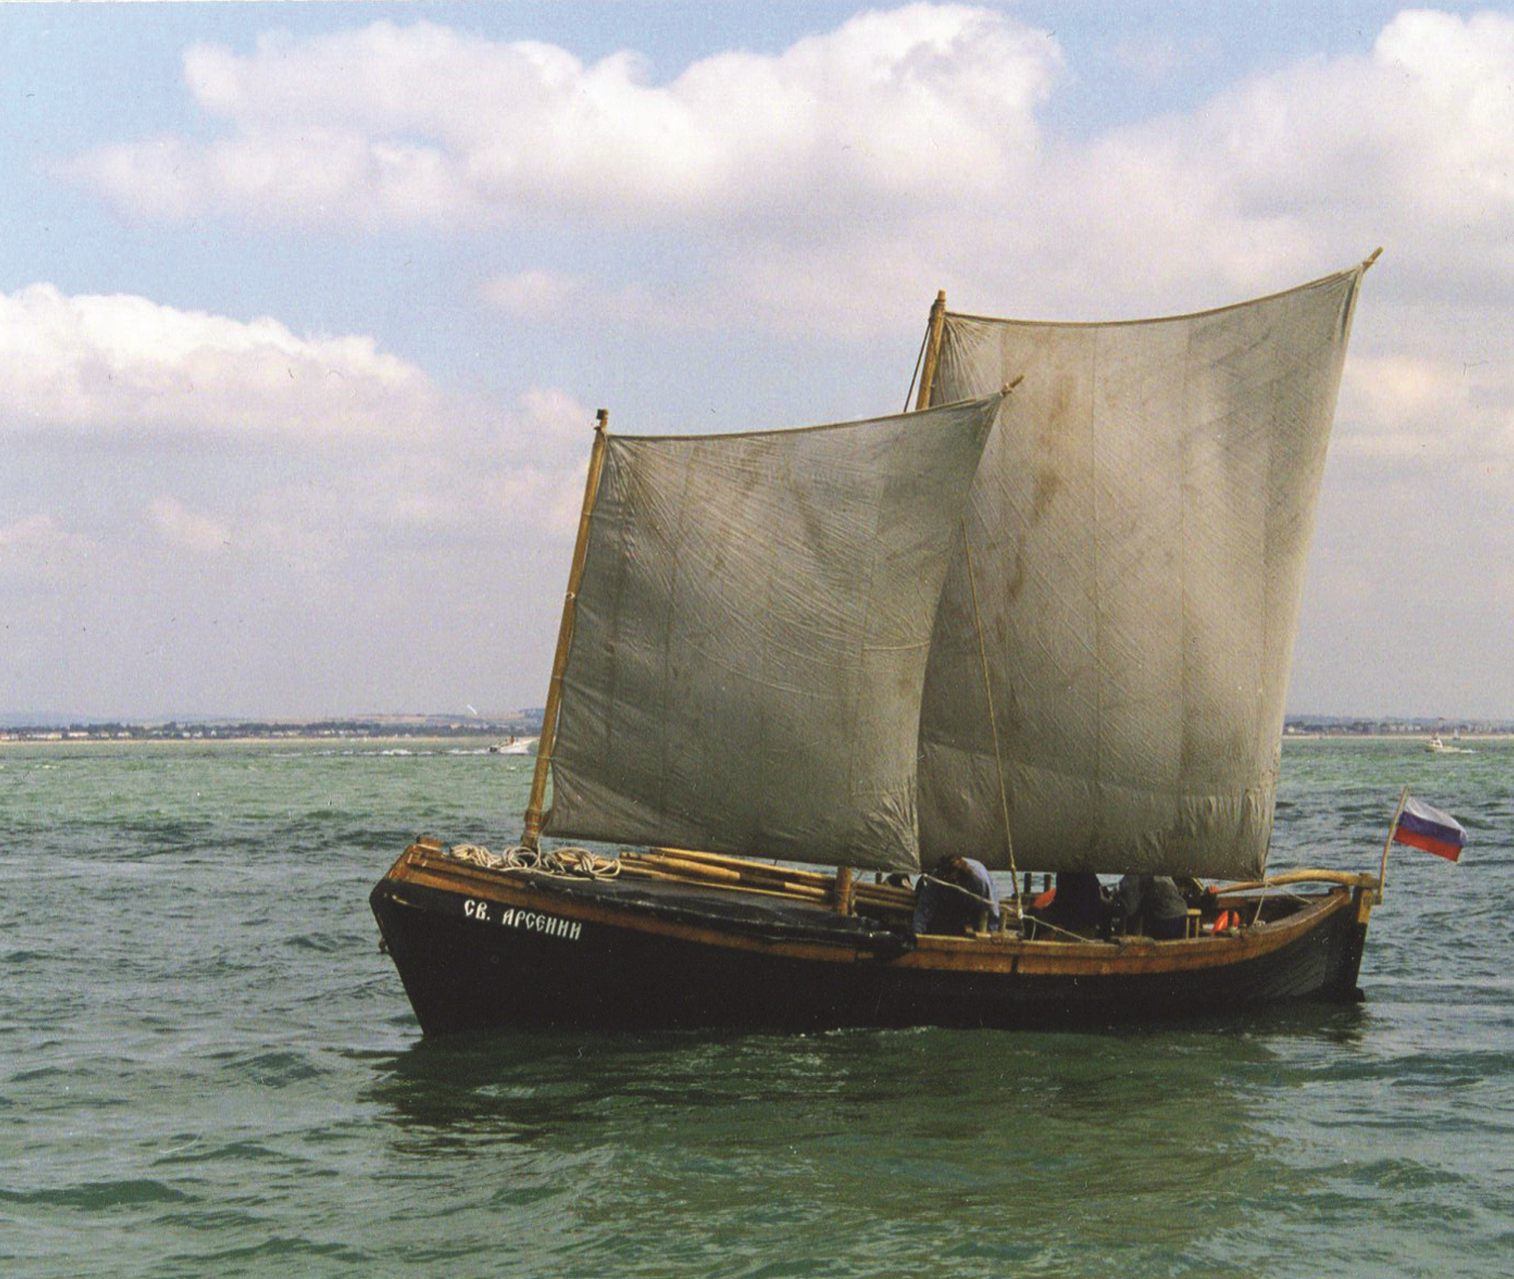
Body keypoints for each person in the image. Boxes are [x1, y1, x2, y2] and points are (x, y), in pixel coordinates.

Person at [913, 855, 999, 935]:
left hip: (973, 906)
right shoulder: (937, 876)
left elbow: (990, 907)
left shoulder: (979, 879)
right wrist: (917, 930)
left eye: (949, 878)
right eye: (944, 878)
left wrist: (990, 934)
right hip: (950, 907)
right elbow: (925, 905)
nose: (945, 879)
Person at [1115, 873, 1189, 940]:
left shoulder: (1133, 873)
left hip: (1165, 919)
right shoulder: (1156, 867)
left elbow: (1130, 908)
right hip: (1180, 914)